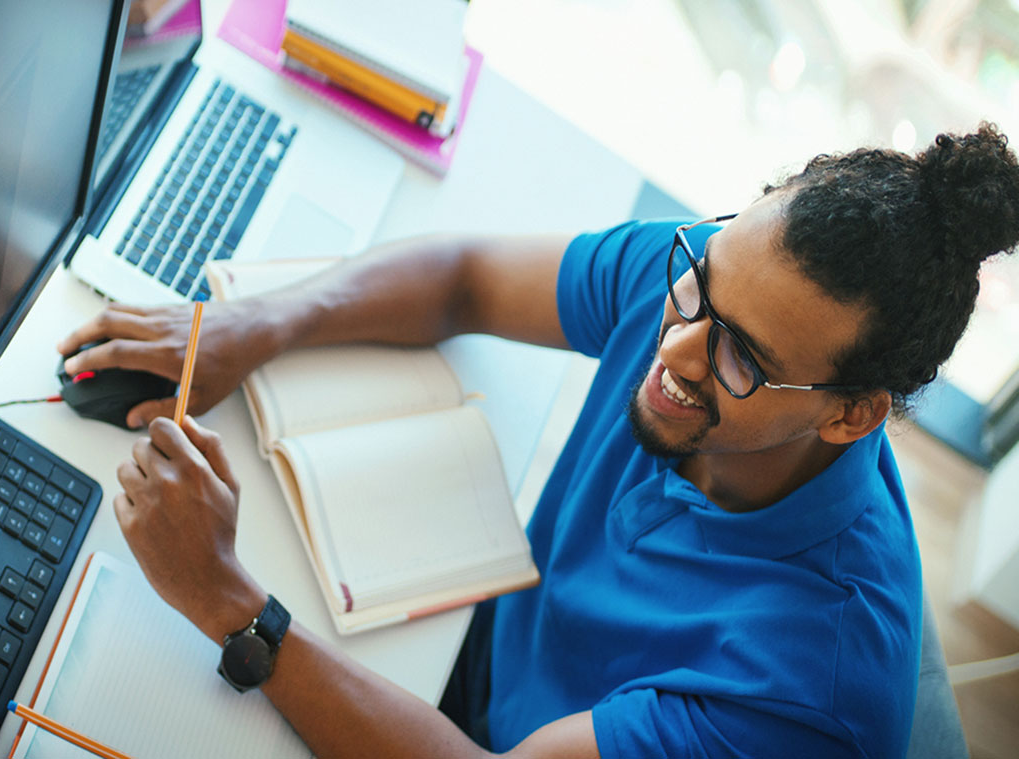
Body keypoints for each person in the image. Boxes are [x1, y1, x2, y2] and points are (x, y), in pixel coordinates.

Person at [58, 124, 1019, 758]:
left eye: (743, 357)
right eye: (701, 285)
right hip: (489, 644)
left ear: (852, 412)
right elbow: (468, 277)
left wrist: (229, 602)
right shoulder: (707, 285)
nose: (675, 347)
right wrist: (257, 324)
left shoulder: (805, 692)